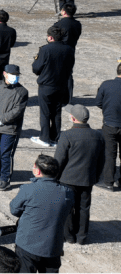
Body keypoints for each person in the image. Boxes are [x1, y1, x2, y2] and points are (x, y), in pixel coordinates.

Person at [9, 155, 75, 273]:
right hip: (53, 247)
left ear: (38, 171)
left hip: (27, 245)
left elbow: (14, 210)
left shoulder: (28, 189)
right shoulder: (68, 193)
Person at [54, 104, 105, 245]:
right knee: (84, 208)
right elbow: (102, 160)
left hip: (68, 179)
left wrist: (55, 177)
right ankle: (82, 237)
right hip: (88, 179)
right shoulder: (98, 136)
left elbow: (59, 160)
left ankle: (69, 236)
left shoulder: (67, 136)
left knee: (68, 208)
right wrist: (96, 176)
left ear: (72, 118)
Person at [0, 65, 29, 191]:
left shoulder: (22, 92)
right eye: (12, 75)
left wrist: (2, 119)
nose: (15, 77)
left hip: (10, 129)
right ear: (5, 73)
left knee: (6, 154)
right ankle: (0, 171)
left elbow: (17, 111)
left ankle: (5, 179)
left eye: (17, 75)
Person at [31, 26, 75, 147]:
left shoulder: (45, 49)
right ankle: (55, 137)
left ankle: (44, 138)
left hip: (47, 85)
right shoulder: (69, 49)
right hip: (61, 85)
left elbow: (36, 68)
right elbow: (70, 66)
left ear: (50, 37)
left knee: (45, 112)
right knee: (56, 112)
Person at [94, 62, 121, 192]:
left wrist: (108, 109)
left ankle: (109, 182)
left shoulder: (106, 84)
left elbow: (98, 102)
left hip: (110, 124)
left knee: (110, 154)